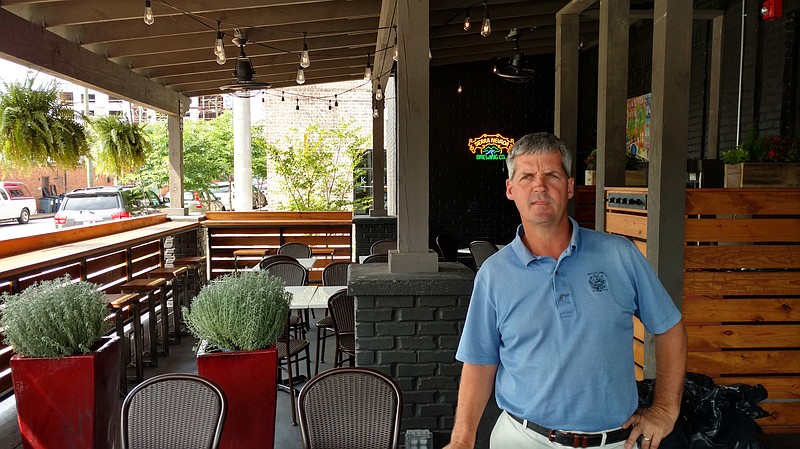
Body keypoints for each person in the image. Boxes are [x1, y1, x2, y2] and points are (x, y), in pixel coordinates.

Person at [444, 132, 687, 449]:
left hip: (614, 442)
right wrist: (462, 439)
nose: (539, 186)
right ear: (511, 189)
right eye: (527, 176)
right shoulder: (494, 274)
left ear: (570, 187)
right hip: (522, 439)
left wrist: (666, 409)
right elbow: (480, 361)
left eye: (552, 175)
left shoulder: (619, 255)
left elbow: (670, 328)